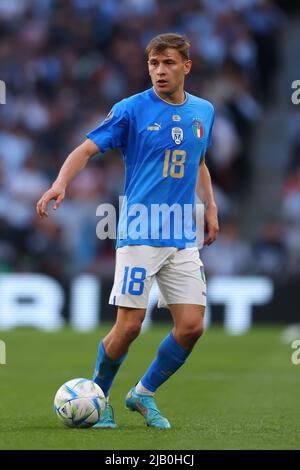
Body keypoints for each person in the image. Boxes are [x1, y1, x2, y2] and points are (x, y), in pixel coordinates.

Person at [36, 33, 219, 429]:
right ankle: (99, 400)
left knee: (191, 327)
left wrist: (211, 208)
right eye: (153, 64)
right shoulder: (131, 110)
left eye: (168, 63)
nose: (159, 71)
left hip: (181, 237)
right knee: (130, 325)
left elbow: (199, 162)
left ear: (186, 67)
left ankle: (142, 394)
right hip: (138, 234)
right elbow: (85, 149)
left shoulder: (204, 111)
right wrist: (60, 183)